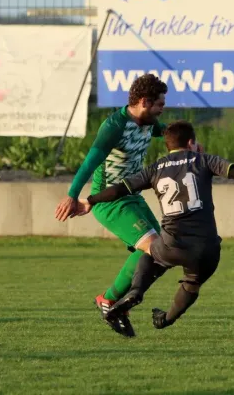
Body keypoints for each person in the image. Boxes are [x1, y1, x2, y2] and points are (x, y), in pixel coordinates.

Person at [73, 120, 234, 337]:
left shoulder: (156, 168)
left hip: (172, 244)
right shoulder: (203, 161)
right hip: (207, 248)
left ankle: (135, 291)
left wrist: (90, 201)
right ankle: (165, 319)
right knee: (192, 283)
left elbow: (119, 189)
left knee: (151, 252)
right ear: (191, 143)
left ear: (168, 145)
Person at [55, 74, 173, 335]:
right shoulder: (115, 125)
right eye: (159, 105)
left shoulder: (147, 123)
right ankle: (109, 301)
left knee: (167, 252)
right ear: (144, 102)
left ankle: (117, 303)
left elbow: (167, 131)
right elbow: (90, 162)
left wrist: (187, 143)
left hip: (132, 196)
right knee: (153, 249)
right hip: (110, 201)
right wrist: (73, 195)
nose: (162, 109)